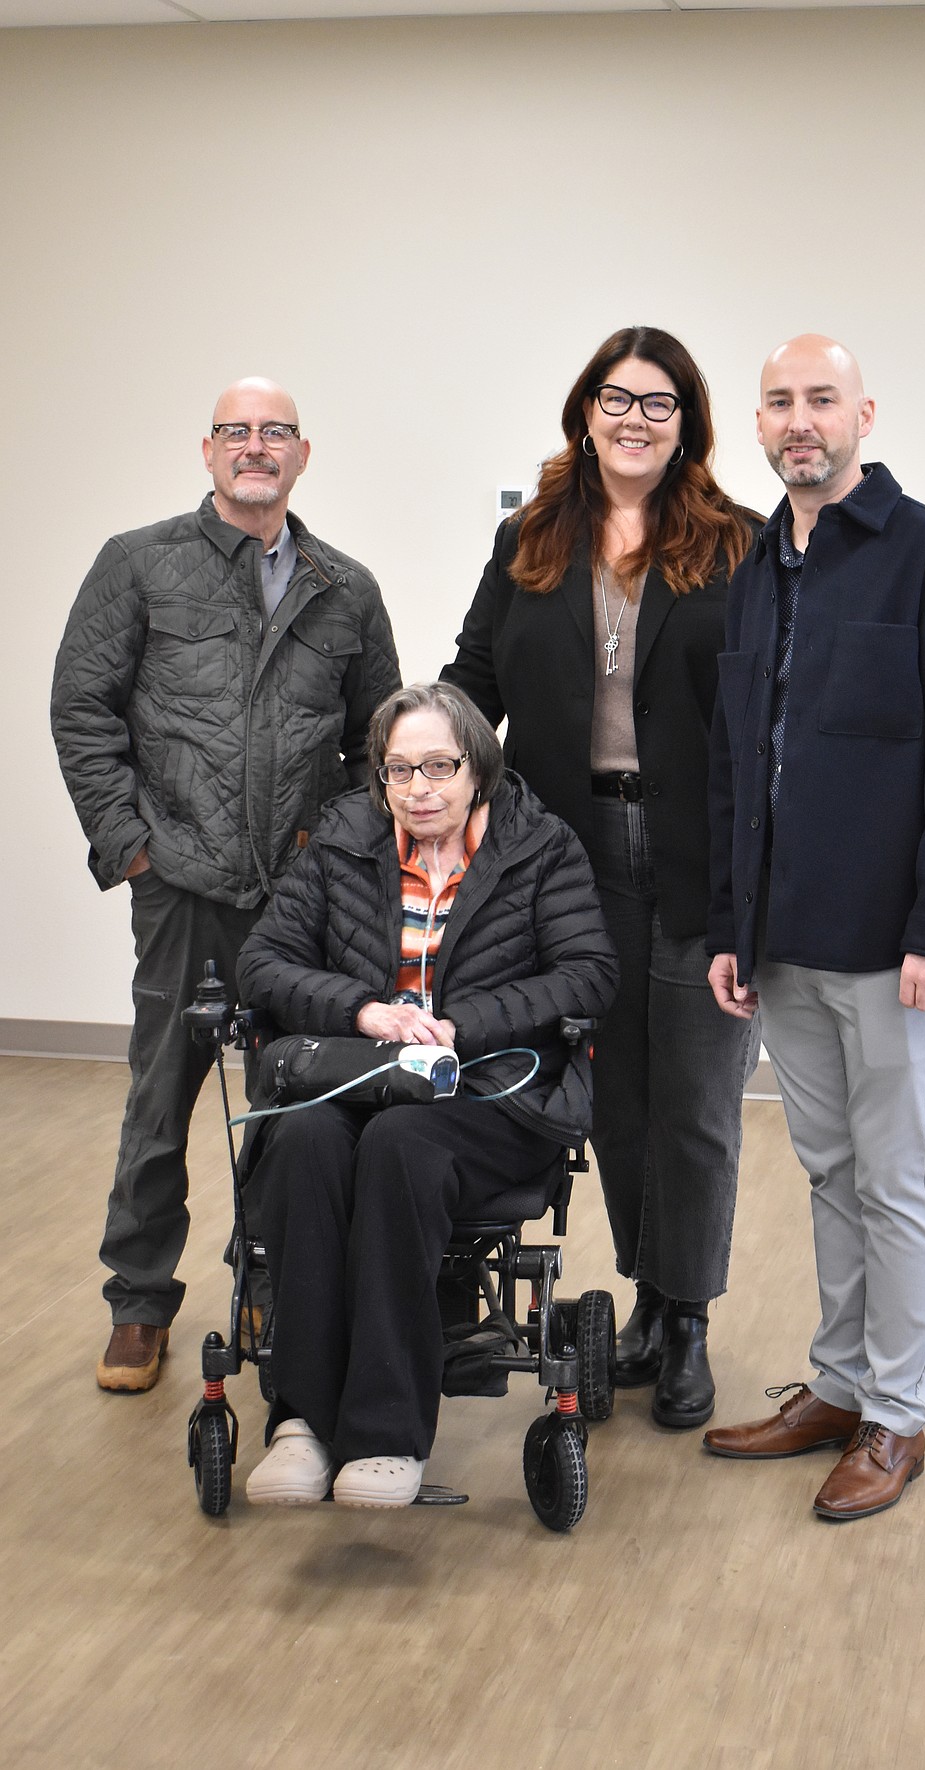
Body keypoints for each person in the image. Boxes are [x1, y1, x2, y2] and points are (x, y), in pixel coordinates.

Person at [702, 335, 925, 1521]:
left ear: (863, 414)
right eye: (778, 402)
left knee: (896, 1177)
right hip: (783, 939)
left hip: (892, 946)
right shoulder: (755, 570)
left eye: (820, 399)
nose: (798, 421)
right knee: (830, 1172)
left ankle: (897, 1416)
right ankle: (835, 1386)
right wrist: (735, 923)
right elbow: (740, 759)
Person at [50, 378, 401, 1393]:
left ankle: (270, 1283)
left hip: (298, 905)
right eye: (238, 431)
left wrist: (333, 862)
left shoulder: (346, 587)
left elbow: (377, 747)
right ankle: (138, 1302)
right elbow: (84, 710)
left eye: (275, 432)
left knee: (293, 1097)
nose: (257, 447)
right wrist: (131, 847)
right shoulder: (139, 565)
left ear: (302, 454)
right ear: (209, 453)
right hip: (183, 889)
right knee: (162, 1093)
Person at [442, 327, 760, 1430]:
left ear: (688, 426)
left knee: (699, 1105)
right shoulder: (527, 539)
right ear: (585, 412)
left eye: (659, 403)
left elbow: (772, 714)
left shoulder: (738, 545)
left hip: (703, 862)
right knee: (612, 1102)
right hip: (568, 861)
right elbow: (475, 676)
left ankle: (692, 1322)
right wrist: (421, 764)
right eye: (617, 399)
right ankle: (646, 1297)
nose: (635, 419)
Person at [237, 682, 618, 1507]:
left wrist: (459, 1024)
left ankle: (382, 1435)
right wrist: (364, 1013)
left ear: (477, 767)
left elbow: (589, 973)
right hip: (360, 1075)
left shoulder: (538, 849)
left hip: (486, 1096)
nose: (419, 789)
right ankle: (302, 1422)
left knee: (399, 1146)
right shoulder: (341, 842)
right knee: (303, 1144)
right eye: (399, 770)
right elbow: (262, 962)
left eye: (439, 766)